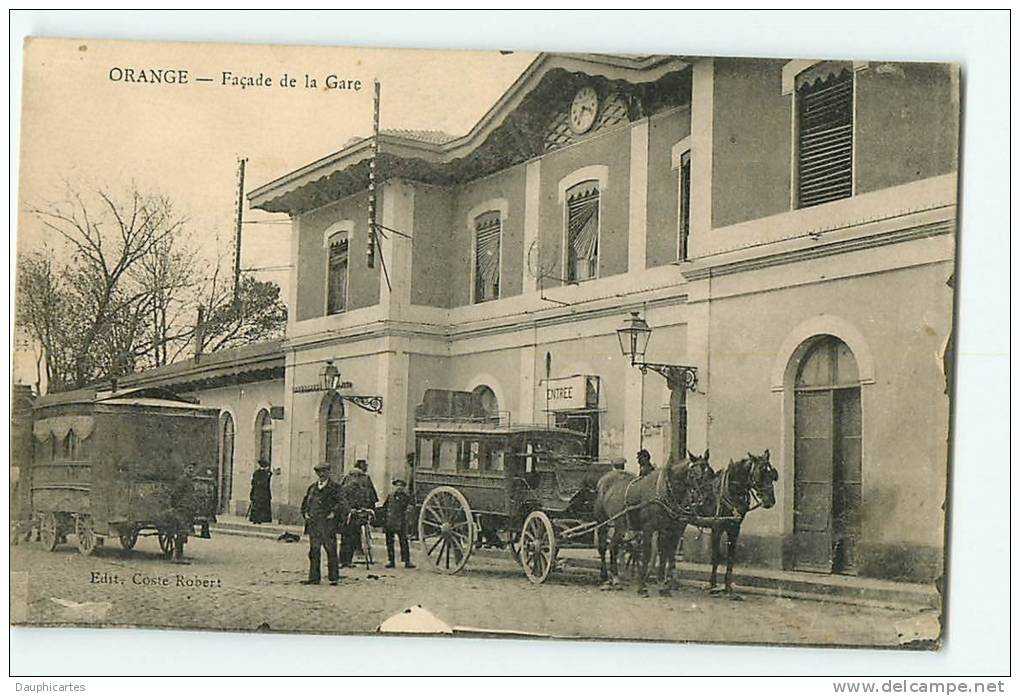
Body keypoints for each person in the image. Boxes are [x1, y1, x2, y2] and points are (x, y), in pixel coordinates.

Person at [300, 463, 344, 585]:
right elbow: (305, 503)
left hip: (327, 524)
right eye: (319, 472)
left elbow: (341, 503)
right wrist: (305, 513)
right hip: (314, 524)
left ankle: (333, 577)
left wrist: (333, 513)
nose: (322, 475)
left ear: (329, 472)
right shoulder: (312, 488)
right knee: (314, 551)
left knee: (331, 550)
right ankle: (314, 577)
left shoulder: (335, 487)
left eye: (324, 472)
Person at [338, 459, 379, 567]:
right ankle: (342, 560)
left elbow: (366, 499)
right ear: (351, 477)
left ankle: (349, 560)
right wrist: (348, 510)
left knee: (353, 538)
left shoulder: (362, 489)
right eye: (355, 477)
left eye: (359, 477)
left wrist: (365, 508)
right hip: (347, 516)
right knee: (345, 539)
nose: (357, 479)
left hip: (356, 516)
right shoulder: (345, 489)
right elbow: (342, 501)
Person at [167, 462, 198, 564]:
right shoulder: (182, 480)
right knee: (181, 531)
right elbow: (175, 494)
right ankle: (176, 557)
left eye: (193, 468)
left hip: (188, 509)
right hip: (183, 509)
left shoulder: (189, 480)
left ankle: (178, 555)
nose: (191, 470)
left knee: (183, 532)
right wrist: (176, 506)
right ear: (184, 469)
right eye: (189, 468)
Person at [382, 479, 415, 569]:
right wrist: (384, 520)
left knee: (404, 542)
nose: (399, 487)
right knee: (389, 542)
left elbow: (410, 509)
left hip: (401, 522)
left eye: (401, 486)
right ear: (395, 487)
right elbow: (385, 508)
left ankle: (407, 561)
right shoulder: (390, 496)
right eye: (397, 485)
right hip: (390, 521)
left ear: (403, 488)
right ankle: (391, 561)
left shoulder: (406, 497)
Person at [248, 459, 273, 524]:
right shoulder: (267, 473)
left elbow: (253, 483)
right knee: (262, 506)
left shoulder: (256, 473)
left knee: (256, 506)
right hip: (264, 493)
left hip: (257, 492)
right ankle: (261, 519)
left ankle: (255, 519)